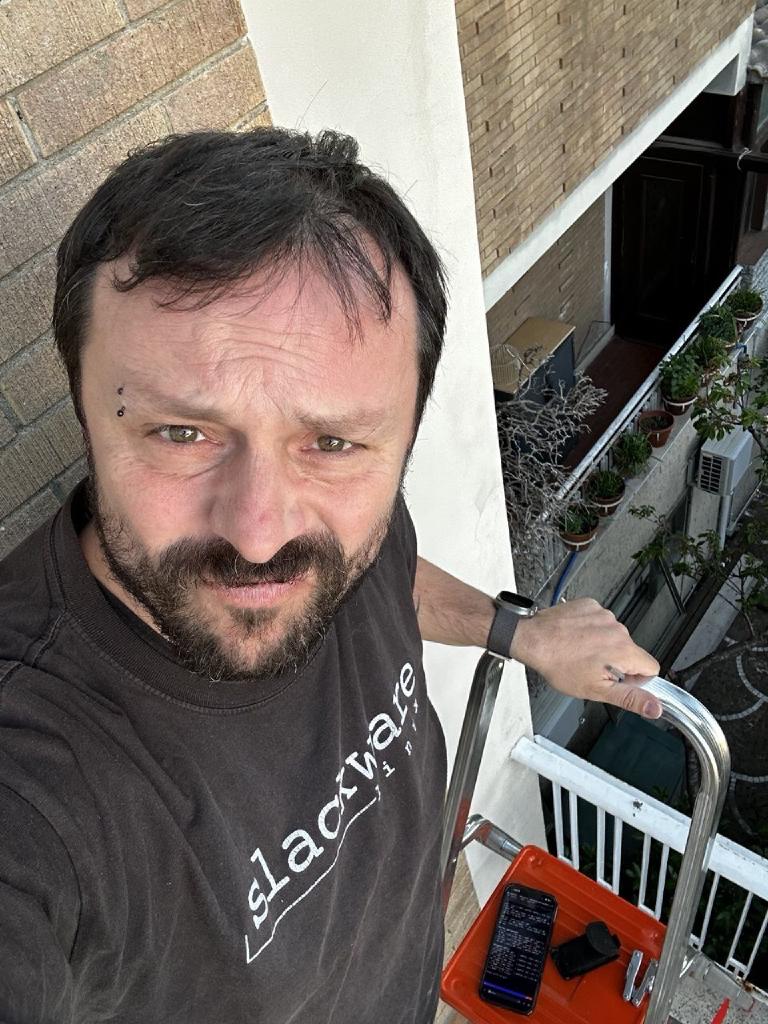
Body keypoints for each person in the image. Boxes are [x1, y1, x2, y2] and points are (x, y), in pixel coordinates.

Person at [0, 127, 660, 1024]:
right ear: (84, 402)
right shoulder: (39, 779)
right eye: (181, 433)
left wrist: (516, 632)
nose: (263, 534)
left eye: (333, 442)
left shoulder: (360, 529)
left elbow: (388, 574)